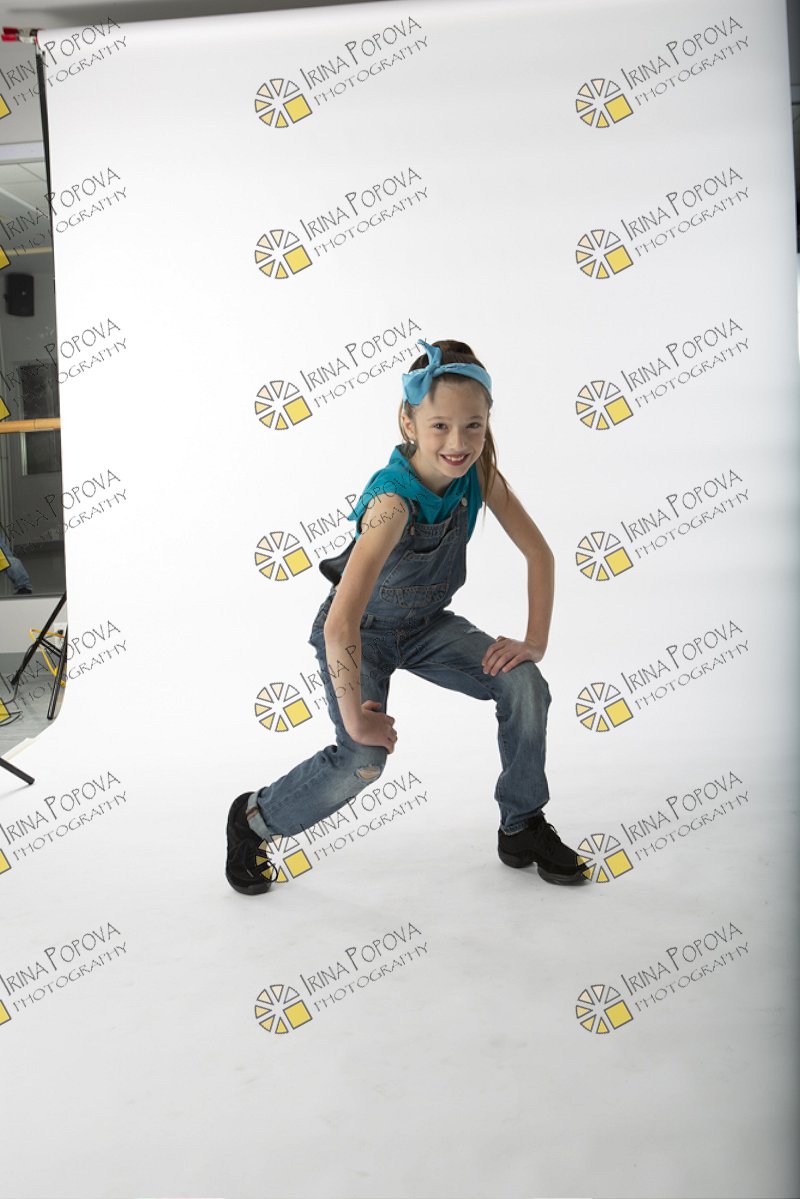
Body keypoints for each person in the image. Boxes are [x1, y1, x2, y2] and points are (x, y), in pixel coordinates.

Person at [226, 338, 588, 894]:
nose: (458, 443)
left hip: (425, 626)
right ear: (408, 421)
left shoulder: (479, 476)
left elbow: (539, 553)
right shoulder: (392, 504)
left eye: (473, 426)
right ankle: (254, 818)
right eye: (440, 426)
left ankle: (522, 825)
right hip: (362, 635)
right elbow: (339, 623)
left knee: (524, 684)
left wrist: (533, 641)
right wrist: (357, 721)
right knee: (364, 758)